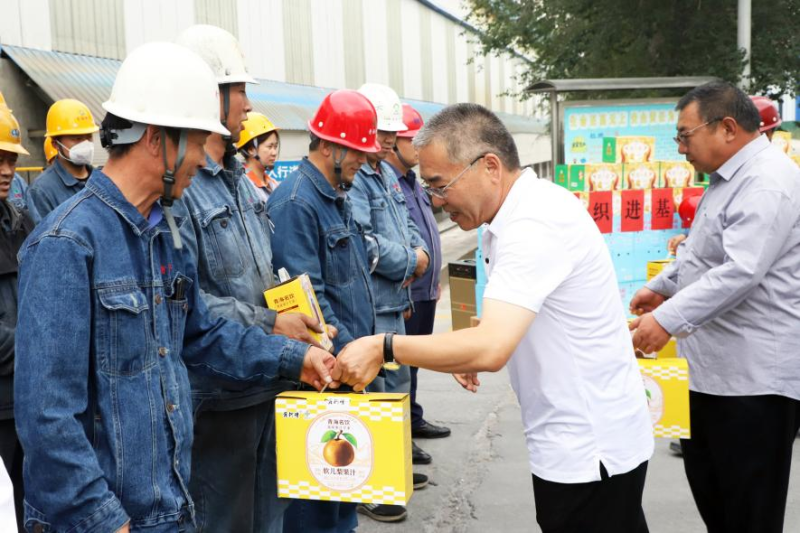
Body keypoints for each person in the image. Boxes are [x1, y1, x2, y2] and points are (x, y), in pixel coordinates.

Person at [14, 41, 335, 533]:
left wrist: (293, 356)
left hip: (172, 506)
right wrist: (102, 520)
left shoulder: (166, 233)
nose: (202, 160)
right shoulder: (66, 245)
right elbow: (46, 417)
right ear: (156, 139)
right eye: (199, 142)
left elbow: (201, 336)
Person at [332, 103, 654, 533]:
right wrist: (470, 343)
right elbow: (510, 322)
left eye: (440, 185)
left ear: (489, 167)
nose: (436, 201)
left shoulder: (533, 225)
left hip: (588, 448)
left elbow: (491, 349)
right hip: (582, 438)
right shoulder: (515, 214)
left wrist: (383, 346)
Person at [174, 24, 327, 533]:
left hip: (268, 383)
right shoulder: (184, 190)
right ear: (208, 94)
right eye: (238, 90)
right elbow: (188, 304)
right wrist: (272, 324)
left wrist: (302, 318)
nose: (247, 104)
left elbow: (262, 277)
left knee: (270, 520)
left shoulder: (240, 182)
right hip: (220, 400)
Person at [629, 82, 800, 533]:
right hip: (712, 374)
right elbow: (703, 252)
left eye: (685, 135)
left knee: (749, 514)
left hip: (753, 383)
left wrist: (665, 320)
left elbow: (740, 269)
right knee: (718, 503)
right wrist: (662, 287)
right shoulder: (728, 178)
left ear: (727, 127)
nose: (680, 147)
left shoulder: (766, 180)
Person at [268, 89, 379, 533]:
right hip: (321, 377)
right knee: (313, 510)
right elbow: (309, 303)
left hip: (345, 372)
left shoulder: (336, 196)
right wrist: (354, 353)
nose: (363, 162)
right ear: (331, 147)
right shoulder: (296, 203)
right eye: (358, 152)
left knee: (342, 499)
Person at [348, 83, 430, 523]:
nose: (386, 140)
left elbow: (408, 226)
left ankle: (392, 471)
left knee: (395, 394)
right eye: (381, 131)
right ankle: (373, 487)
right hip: (374, 309)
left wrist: (420, 254)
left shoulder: (384, 175)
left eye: (390, 133)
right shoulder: (358, 180)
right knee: (375, 398)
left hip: (394, 305)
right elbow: (364, 245)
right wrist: (412, 261)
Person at [384, 103, 450, 468]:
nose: (419, 146)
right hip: (409, 292)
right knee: (400, 366)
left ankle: (413, 415)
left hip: (427, 291)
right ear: (393, 141)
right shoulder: (389, 183)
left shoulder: (412, 182)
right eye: (413, 139)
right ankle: (402, 433)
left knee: (414, 364)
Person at [667, 94, 784, 254]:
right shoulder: (724, 176)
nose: (682, 149)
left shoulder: (766, 182)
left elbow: (745, 258)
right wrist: (689, 239)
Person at [0, 105, 34, 532]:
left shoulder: (20, 222)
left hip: (28, 402)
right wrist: (38, 345)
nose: (7, 170)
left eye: (10, 160)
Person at [25, 98, 99, 222]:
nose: (85, 143)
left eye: (89, 137)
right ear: (55, 144)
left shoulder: (101, 180)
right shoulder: (42, 190)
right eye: (77, 138)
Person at [237, 112, 281, 202]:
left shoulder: (274, 184)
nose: (274, 152)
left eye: (275, 147)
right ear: (251, 149)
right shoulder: (242, 187)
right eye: (270, 147)